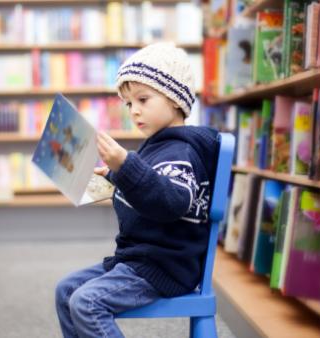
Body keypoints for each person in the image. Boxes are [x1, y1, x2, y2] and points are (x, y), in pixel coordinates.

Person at [55, 42, 220, 338]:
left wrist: (127, 165)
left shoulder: (181, 151)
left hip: (163, 268)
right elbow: (148, 189)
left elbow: (171, 201)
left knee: (86, 302)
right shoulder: (157, 148)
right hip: (137, 261)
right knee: (67, 290)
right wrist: (114, 177)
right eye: (129, 104)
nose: (135, 110)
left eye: (143, 99)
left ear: (175, 99)